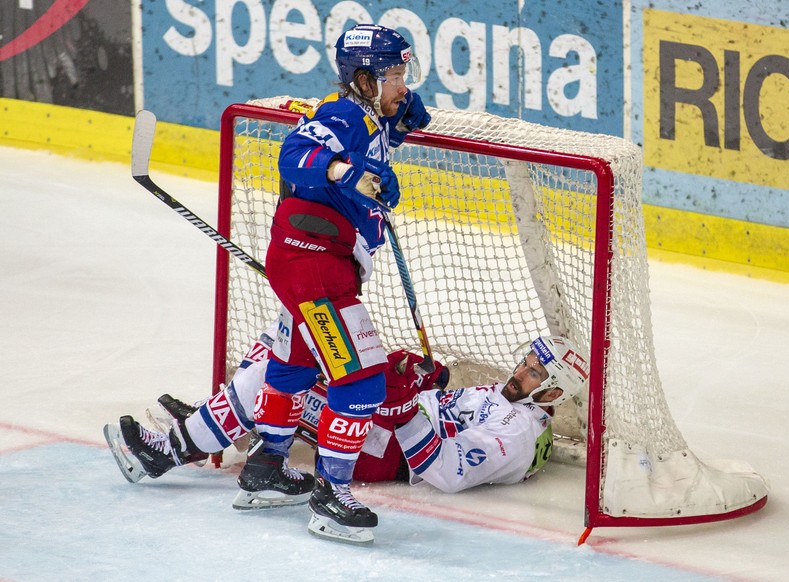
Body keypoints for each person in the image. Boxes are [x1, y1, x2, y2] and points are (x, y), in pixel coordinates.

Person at [107, 22, 433, 545]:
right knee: (361, 380)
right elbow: (295, 157)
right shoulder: (342, 113)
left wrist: (403, 112)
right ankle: (332, 496)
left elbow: (398, 122)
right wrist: (345, 173)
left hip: (313, 263)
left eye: (404, 72)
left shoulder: (370, 114)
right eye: (394, 74)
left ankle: (266, 471)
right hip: (315, 270)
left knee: (292, 366)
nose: (402, 83)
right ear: (365, 79)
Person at [105, 332, 589, 541]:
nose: (521, 371)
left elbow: (444, 469)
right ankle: (220, 425)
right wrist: (414, 376)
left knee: (274, 375)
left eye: (533, 373)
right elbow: (430, 408)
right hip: (385, 428)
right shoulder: (506, 398)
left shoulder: (519, 434)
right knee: (282, 346)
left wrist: (397, 406)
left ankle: (169, 450)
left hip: (381, 454)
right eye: (526, 362)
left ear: (553, 392)